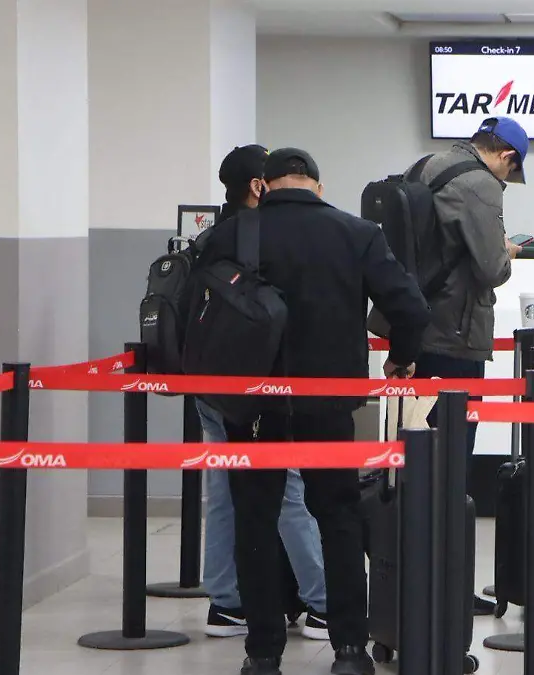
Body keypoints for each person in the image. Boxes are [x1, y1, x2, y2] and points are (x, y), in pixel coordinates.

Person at [192, 148, 431, 675]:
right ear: (318, 187)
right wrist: (401, 356)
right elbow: (411, 307)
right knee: (338, 518)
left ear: (264, 185)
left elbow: (200, 314)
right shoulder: (357, 233)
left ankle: (262, 654)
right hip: (329, 401)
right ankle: (349, 650)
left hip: (252, 401)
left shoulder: (233, 235)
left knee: (254, 521)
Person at [197, 144, 330, 641]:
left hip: (210, 382)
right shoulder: (261, 235)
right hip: (261, 384)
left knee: (223, 492)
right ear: (259, 185)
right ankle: (324, 601)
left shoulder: (212, 237)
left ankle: (226, 603)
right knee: (290, 488)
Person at [404, 116, 528, 614]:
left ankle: (414, 582)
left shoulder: (425, 166)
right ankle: (450, 591)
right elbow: (491, 268)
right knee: (453, 468)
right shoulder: (480, 184)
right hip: (456, 337)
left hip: (416, 329)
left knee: (417, 463)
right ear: (507, 157)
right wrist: (508, 251)